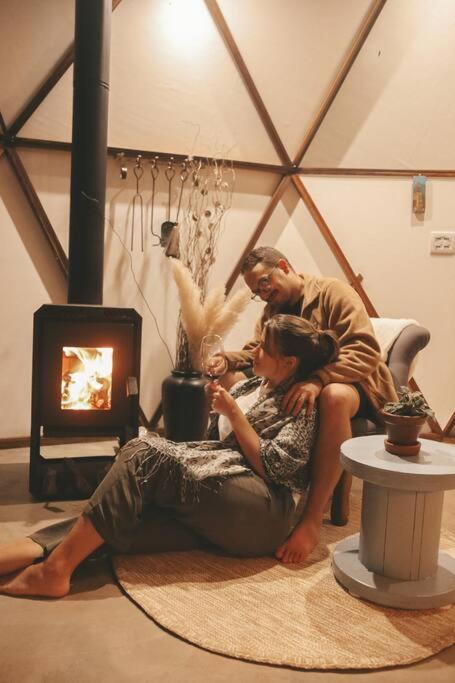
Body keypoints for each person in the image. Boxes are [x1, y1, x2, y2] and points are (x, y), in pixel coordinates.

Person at [0, 314, 338, 599]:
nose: (255, 350)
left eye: (264, 347)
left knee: (144, 454)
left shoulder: (300, 402)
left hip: (265, 512)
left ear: (289, 363)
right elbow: (213, 450)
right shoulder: (248, 387)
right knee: (130, 507)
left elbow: (275, 470)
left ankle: (56, 570)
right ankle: (32, 549)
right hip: (228, 497)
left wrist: (233, 414)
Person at [216, 246, 398, 564]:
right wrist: (227, 360)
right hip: (295, 385)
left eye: (263, 283)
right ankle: (253, 479)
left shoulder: (334, 292)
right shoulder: (273, 310)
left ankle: (312, 519)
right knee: (232, 379)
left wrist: (319, 379)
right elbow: (258, 349)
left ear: (283, 266)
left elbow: (365, 351)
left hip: (354, 383)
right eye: (256, 291)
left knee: (333, 396)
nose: (263, 293)